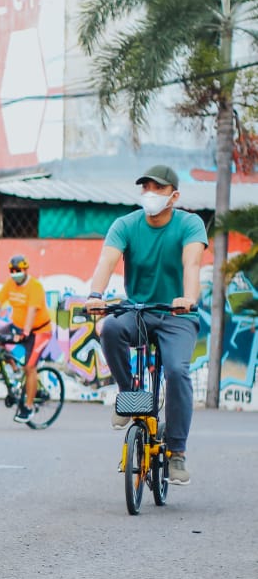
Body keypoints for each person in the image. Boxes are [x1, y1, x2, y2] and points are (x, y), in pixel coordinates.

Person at [84, 165, 205, 486]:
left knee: (177, 371)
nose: (150, 194)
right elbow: (107, 260)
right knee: (110, 328)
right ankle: (129, 395)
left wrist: (188, 298)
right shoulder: (125, 225)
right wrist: (95, 295)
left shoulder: (189, 224)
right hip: (139, 310)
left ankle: (177, 452)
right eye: (146, 187)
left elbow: (192, 263)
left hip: (178, 315)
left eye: (158, 188)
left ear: (174, 196)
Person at [0, 254, 53, 423]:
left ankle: (28, 407)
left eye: (18, 270)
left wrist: (25, 332)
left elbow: (32, 311)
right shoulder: (10, 284)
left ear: (26, 270)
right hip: (17, 326)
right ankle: (16, 373)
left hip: (39, 331)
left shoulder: (35, 287)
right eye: (12, 271)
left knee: (30, 367)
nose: (15, 274)